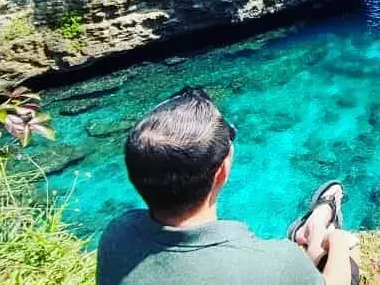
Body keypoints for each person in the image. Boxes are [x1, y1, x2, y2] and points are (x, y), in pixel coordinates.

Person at [96, 87, 359, 285]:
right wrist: (337, 242)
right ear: (221, 170)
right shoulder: (273, 262)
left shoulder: (117, 235)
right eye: (227, 136)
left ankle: (313, 226)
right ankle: (322, 224)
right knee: (346, 258)